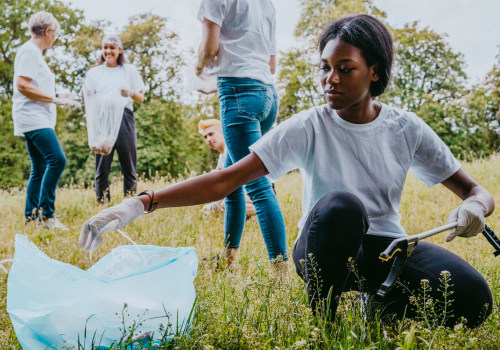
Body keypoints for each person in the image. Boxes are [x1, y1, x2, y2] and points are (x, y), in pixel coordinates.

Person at [80, 15, 495, 328]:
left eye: (344, 68)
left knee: (476, 302)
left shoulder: (405, 127)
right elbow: (227, 179)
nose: (329, 79)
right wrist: (141, 203)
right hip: (323, 246)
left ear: (375, 72)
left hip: (387, 249)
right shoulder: (309, 125)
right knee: (340, 207)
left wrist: (475, 206)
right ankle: (327, 317)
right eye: (324, 67)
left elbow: (478, 191)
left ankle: (381, 303)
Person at [191, 0, 287, 265]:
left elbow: (209, 49)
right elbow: (271, 65)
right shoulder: (266, 4)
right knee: (231, 183)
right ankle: (228, 259)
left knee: (257, 186)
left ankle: (281, 275)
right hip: (267, 95)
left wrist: (198, 71)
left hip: (238, 93)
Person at [13, 11, 80, 230]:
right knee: (57, 160)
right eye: (56, 33)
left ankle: (31, 218)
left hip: (35, 118)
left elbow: (35, 87)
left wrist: (61, 97)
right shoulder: (30, 51)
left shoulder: (33, 53)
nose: (56, 37)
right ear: (48, 31)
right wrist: (53, 99)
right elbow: (22, 85)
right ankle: (46, 215)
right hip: (33, 119)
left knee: (39, 167)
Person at [83, 34, 147, 203]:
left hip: (124, 117)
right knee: (102, 166)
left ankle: (131, 203)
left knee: (128, 163)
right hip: (103, 120)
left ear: (120, 50)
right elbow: (86, 98)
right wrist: (85, 94)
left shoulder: (129, 70)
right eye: (105, 47)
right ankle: (103, 204)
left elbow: (140, 97)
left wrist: (131, 93)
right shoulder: (94, 73)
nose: (108, 51)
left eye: (112, 48)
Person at [198, 119, 255, 217]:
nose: (208, 139)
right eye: (205, 137)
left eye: (211, 134)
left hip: (256, 188)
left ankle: (265, 211)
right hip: (243, 190)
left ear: (222, 132)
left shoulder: (232, 150)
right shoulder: (222, 155)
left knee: (227, 203)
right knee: (214, 205)